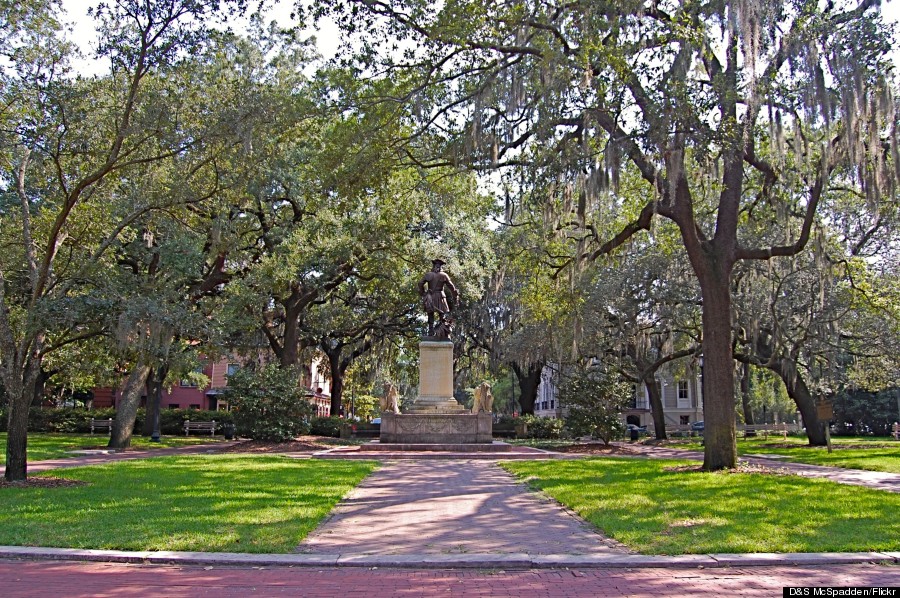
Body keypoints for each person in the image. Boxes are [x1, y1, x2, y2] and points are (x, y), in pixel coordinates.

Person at [417, 258, 459, 337]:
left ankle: (431, 331)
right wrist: (455, 296)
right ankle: (442, 332)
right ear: (440, 267)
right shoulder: (444, 275)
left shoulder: (429, 274)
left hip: (431, 296)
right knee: (442, 314)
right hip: (440, 296)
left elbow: (420, 284)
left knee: (430, 314)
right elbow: (451, 287)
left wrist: (423, 293)